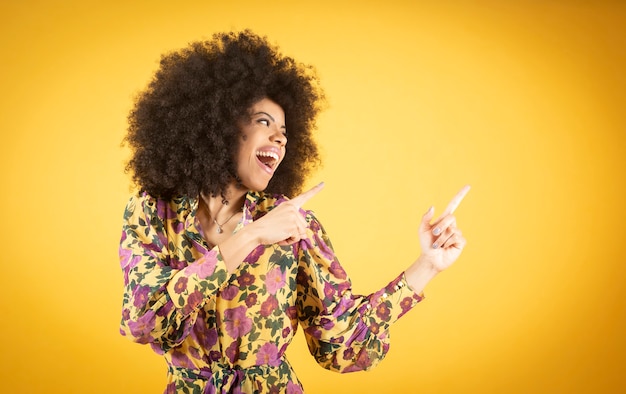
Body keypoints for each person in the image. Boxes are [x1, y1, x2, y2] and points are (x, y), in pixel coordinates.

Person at [118, 30, 469, 393]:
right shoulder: (153, 211)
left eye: (284, 131)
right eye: (263, 122)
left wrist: (426, 265)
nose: (281, 139)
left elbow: (341, 344)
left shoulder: (293, 225)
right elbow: (144, 322)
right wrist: (251, 235)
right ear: (219, 126)